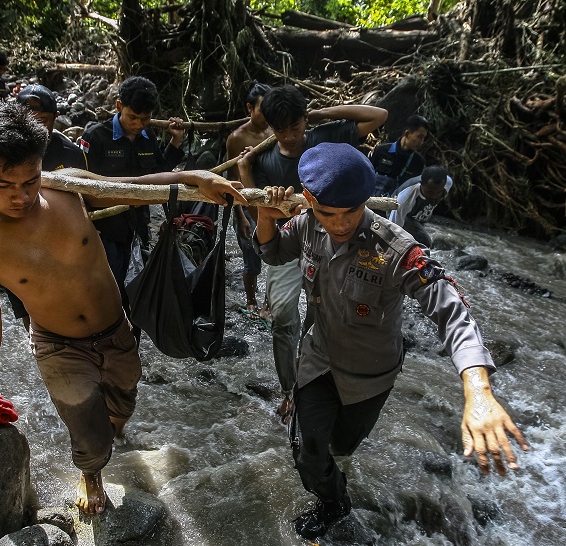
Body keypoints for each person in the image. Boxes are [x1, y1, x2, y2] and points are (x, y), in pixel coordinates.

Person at [0, 100, 247, 516]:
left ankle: (109, 435)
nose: (20, 196)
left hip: (115, 328)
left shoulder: (66, 188)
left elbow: (132, 188)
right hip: (57, 344)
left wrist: (190, 176)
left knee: (123, 400)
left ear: (41, 166)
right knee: (84, 419)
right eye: (2, 185)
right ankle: (91, 472)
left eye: (30, 181)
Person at [254, 142, 529, 541]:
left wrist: (479, 390)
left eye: (352, 211)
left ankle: (335, 476)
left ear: (367, 200)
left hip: (370, 376)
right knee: (308, 452)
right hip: (318, 360)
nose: (341, 224)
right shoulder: (307, 223)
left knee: (341, 447)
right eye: (328, 213)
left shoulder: (397, 249)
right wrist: (265, 213)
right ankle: (334, 502)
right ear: (310, 199)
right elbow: (273, 251)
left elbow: (451, 309)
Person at [237, 85, 388, 423]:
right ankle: (290, 389)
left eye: (296, 126)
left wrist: (321, 115)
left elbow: (379, 116)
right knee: (283, 320)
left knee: (327, 315)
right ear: (270, 128)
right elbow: (256, 212)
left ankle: (324, 381)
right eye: (281, 129)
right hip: (290, 241)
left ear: (306, 119)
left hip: (334, 237)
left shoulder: (327, 137)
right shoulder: (264, 158)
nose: (290, 136)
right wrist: (246, 172)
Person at [79, 76, 185, 321]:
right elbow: (81, 186)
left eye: (145, 119)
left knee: (134, 287)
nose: (138, 125)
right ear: (118, 107)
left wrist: (175, 142)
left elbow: (161, 174)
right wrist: (85, 226)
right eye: (132, 118)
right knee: (106, 288)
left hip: (137, 227)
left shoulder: (149, 138)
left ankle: (128, 339)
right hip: (103, 229)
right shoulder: (95, 137)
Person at [2, 84, 89, 330]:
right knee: (23, 293)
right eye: (28, 120)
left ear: (55, 119)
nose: (36, 128)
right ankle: (33, 334)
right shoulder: (1, 152)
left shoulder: (70, 153)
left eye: (43, 121)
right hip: (16, 235)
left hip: (59, 236)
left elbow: (84, 197)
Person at [225, 81, 272, 322]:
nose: (268, 114)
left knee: (275, 253)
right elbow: (231, 180)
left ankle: (268, 303)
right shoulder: (237, 138)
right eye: (263, 109)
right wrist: (240, 215)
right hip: (246, 203)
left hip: (271, 202)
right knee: (251, 256)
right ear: (249, 108)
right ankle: (251, 300)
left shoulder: (275, 132)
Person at [389, 164, 453, 249]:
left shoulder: (448, 182)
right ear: (421, 184)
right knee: (424, 242)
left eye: (438, 193)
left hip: (417, 216)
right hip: (400, 214)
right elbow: (394, 227)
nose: (434, 196)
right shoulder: (406, 197)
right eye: (430, 192)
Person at [368, 114, 430, 197]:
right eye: (419, 137)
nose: (421, 142)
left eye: (423, 138)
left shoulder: (418, 162)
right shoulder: (381, 150)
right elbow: (367, 176)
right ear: (407, 134)